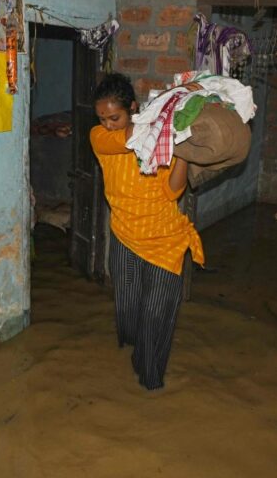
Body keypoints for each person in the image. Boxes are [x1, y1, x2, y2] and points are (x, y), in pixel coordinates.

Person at [90, 72, 204, 390]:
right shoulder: (100, 138)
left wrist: (181, 148)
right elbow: (127, 139)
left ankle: (151, 381)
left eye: (114, 117)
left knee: (155, 313)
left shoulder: (163, 140)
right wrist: (172, 111)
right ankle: (134, 353)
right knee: (127, 307)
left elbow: (173, 192)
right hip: (125, 235)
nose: (108, 123)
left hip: (165, 240)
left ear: (132, 109)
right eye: (102, 118)